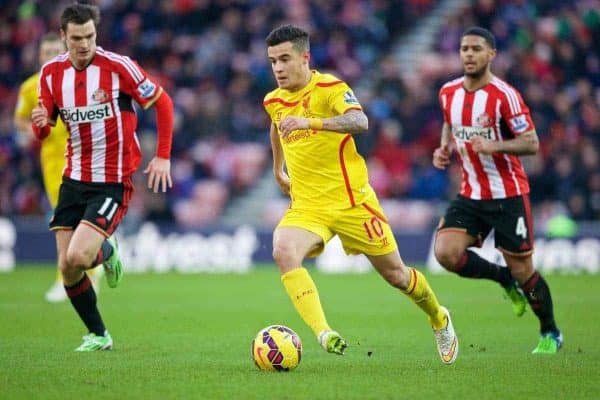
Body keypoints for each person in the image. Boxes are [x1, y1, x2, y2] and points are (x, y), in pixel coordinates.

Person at [263, 24, 458, 364]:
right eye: (272, 61)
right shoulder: (273, 100)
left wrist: (312, 123)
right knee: (283, 250)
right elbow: (277, 125)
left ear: (304, 57)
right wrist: (278, 168)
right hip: (308, 205)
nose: (277, 68)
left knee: (397, 275)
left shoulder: (330, 88)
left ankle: (439, 318)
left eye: (284, 59)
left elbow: (360, 121)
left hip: (352, 202)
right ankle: (324, 333)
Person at [31, 3, 174, 351]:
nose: (84, 44)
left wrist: (163, 157)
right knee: (67, 268)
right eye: (77, 38)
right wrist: (39, 126)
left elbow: (163, 102)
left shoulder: (117, 66)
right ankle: (99, 334)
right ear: (64, 36)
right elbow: (46, 128)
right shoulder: (51, 74)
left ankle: (106, 250)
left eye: (90, 36)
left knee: (79, 257)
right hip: (73, 177)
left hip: (113, 178)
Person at [432, 27, 562, 354]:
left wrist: (496, 145)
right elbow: (450, 123)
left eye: (476, 49)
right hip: (471, 193)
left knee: (524, 270)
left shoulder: (505, 95)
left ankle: (550, 332)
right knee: (445, 253)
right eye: (464, 49)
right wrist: (444, 147)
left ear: (491, 54)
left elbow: (531, 142)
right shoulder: (448, 92)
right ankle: (503, 279)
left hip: (508, 195)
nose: (469, 54)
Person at [14, 32, 103, 303]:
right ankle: (80, 273)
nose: (51, 55)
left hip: (83, 157)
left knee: (75, 221)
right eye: (46, 52)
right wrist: (35, 132)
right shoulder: (30, 88)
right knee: (64, 223)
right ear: (40, 56)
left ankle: (78, 276)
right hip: (53, 163)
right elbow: (20, 120)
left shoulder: (78, 80)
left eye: (56, 50)